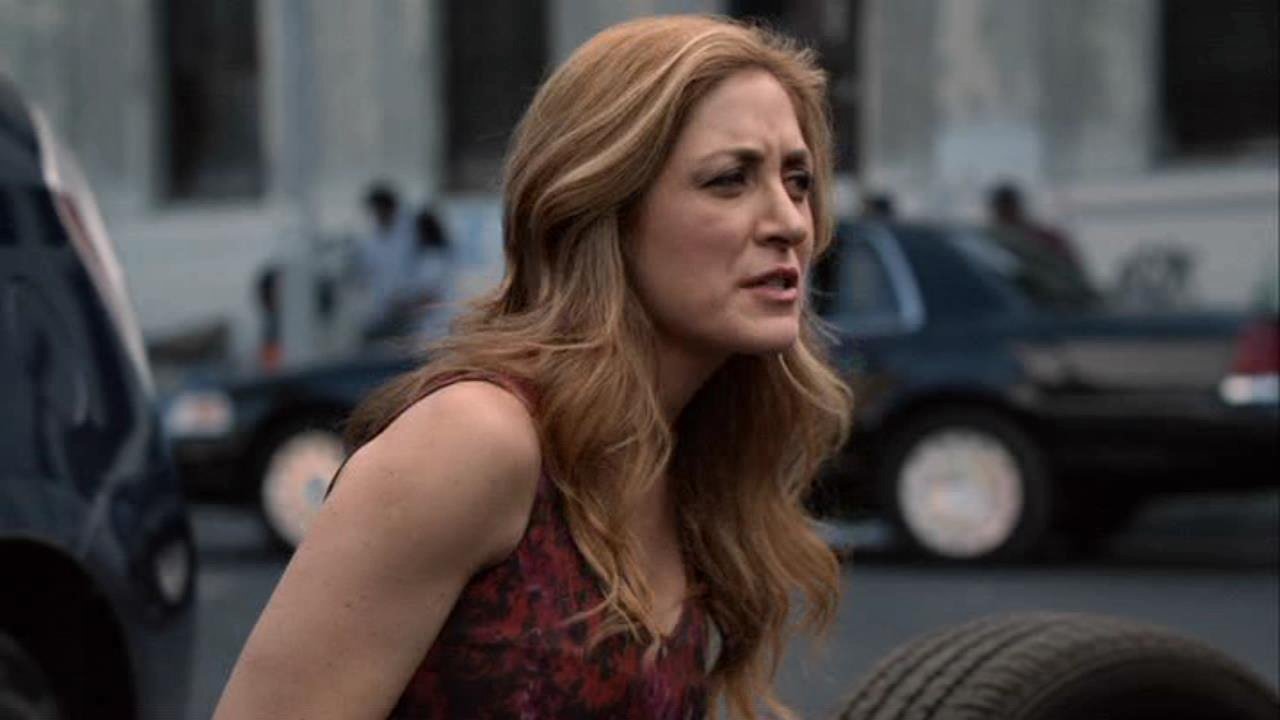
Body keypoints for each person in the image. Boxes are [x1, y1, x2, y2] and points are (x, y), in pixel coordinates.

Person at [213, 15, 853, 720]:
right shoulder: (472, 440)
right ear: (604, 207)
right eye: (730, 179)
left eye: (798, 181)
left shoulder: (685, 455)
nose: (791, 222)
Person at [355, 182, 416, 343]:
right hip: (382, 308)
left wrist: (408, 296)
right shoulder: (371, 239)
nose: (376, 214)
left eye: (378, 209)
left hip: (407, 307)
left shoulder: (411, 234)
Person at [987, 181, 1081, 269]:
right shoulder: (991, 242)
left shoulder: (1046, 239)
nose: (1007, 213)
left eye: (1008, 208)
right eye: (1004, 209)